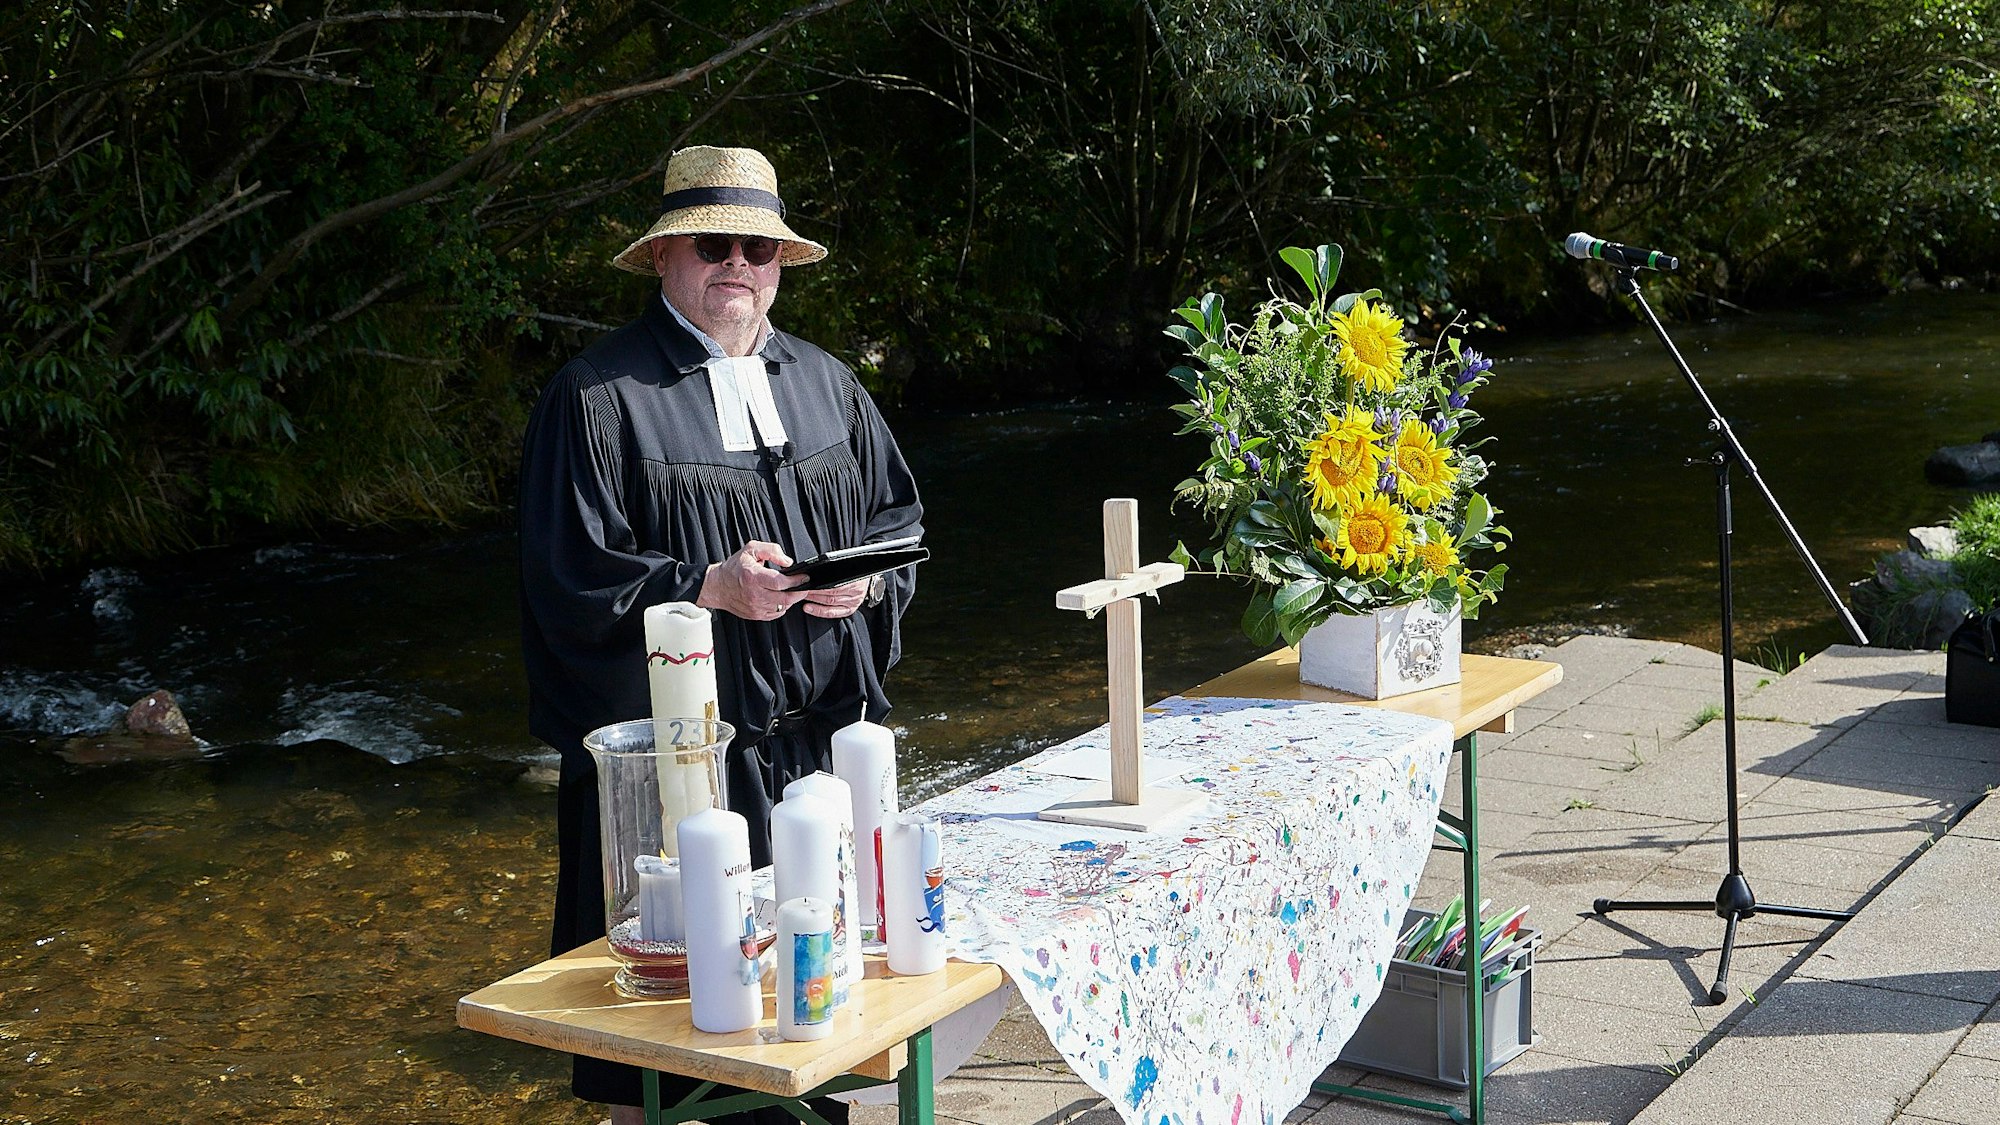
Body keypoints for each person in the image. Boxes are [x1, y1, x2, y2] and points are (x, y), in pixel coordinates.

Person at [517, 145, 923, 1124]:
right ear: (664, 258)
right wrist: (705, 587)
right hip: (682, 784)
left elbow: (897, 529)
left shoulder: (827, 383)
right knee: (658, 1058)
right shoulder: (597, 398)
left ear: (781, 263)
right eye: (713, 244)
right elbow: (565, 582)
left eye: (758, 246)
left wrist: (861, 588)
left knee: (810, 1029)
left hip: (815, 765)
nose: (737, 263)